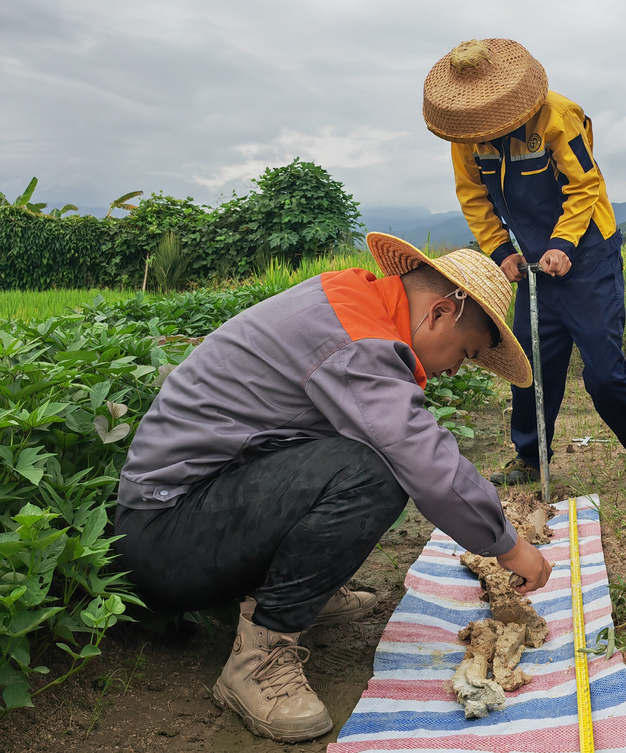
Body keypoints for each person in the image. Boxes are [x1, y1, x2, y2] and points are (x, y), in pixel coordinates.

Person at [113, 232, 552, 743]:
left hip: (194, 511)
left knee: (363, 454)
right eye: (465, 352)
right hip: (167, 535)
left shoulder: (350, 303)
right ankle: (259, 659)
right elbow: (419, 455)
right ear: (439, 314)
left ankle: (300, 592)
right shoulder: (358, 338)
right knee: (377, 470)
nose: (456, 368)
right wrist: (509, 546)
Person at [423, 38, 626, 485]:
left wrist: (564, 244)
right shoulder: (467, 136)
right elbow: (473, 198)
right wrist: (501, 252)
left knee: (605, 374)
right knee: (531, 366)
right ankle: (530, 458)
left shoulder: (556, 115)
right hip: (532, 264)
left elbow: (584, 185)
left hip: (587, 255)